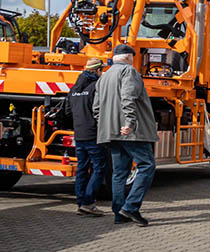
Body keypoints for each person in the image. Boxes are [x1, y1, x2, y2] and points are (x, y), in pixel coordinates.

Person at [93, 43, 157, 226]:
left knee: (119, 173)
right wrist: (129, 122)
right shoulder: (129, 72)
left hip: (111, 132)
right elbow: (128, 96)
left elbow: (96, 107)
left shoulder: (103, 77)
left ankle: (119, 213)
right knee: (147, 165)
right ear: (129, 57)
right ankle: (131, 207)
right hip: (130, 132)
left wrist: (105, 124)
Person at [66, 57, 108, 216]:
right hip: (93, 133)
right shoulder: (96, 86)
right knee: (99, 168)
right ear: (98, 70)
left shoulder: (74, 88)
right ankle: (88, 202)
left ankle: (80, 202)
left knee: (82, 168)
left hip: (79, 133)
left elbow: (67, 111)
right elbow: (100, 109)